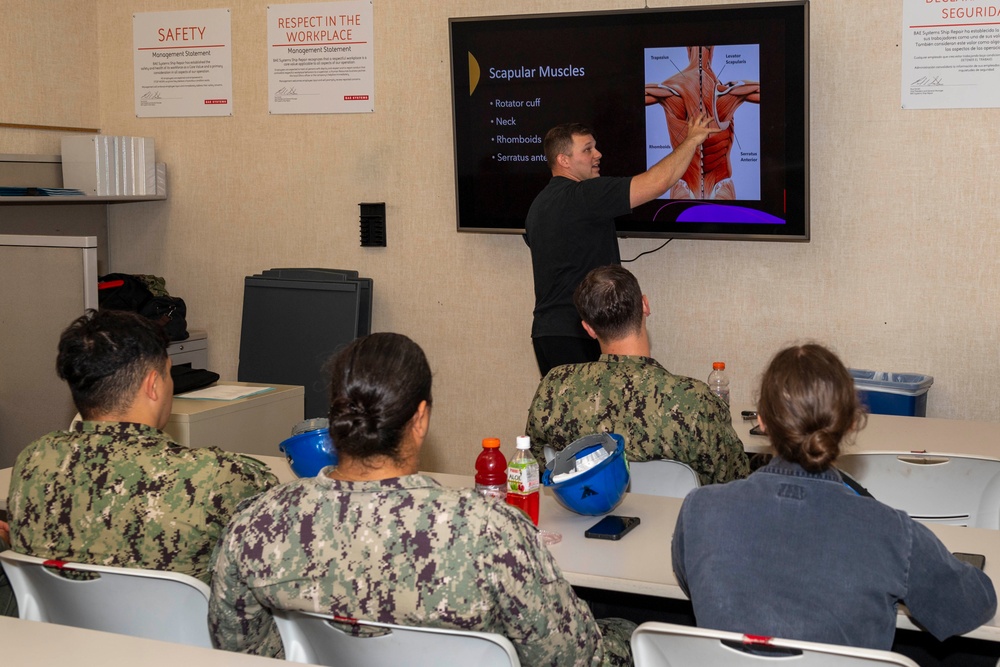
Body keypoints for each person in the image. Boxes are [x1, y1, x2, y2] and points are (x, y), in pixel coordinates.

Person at [209, 332, 635, 666]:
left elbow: (239, 650)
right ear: (420, 418)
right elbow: (572, 658)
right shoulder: (490, 531)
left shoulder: (258, 524)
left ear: (335, 417)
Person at [672, 343, 997, 650]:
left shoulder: (700, 510)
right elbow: (969, 606)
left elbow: (697, 585)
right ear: (851, 423)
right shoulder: (892, 532)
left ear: (761, 420)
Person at [5, 309, 276, 588]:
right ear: (154, 384)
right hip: (178, 632)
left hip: (61, 630)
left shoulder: (35, 460)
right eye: (169, 374)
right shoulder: (217, 476)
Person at [524, 115, 720, 377]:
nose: (598, 154)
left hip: (547, 334)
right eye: (588, 149)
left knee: (567, 417)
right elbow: (656, 182)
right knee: (599, 416)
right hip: (580, 334)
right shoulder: (584, 195)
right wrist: (693, 139)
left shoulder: (538, 205)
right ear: (563, 160)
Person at [525, 265, 749, 485]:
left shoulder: (554, 387)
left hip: (582, 518)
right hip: (674, 521)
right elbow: (733, 485)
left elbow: (535, 467)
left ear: (589, 328)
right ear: (645, 305)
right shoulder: (695, 400)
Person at [645, 45, 760, 200]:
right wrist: (740, 85)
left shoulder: (670, 92)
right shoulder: (727, 95)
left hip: (687, 187)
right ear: (712, 51)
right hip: (713, 187)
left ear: (687, 50)